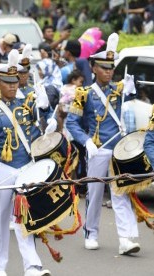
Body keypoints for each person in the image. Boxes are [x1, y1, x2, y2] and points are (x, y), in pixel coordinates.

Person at [0, 49, 53, 276]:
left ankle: (33, 266)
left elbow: (37, 132)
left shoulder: (27, 105)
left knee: (25, 217)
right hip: (0, 169)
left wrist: (47, 115)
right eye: (8, 82)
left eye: (15, 81)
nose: (13, 86)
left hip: (26, 168)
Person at [65, 33, 141, 255]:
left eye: (111, 67)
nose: (109, 71)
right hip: (97, 148)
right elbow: (72, 122)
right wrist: (86, 141)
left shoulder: (119, 89)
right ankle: (91, 233)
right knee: (95, 193)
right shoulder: (84, 94)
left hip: (118, 150)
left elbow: (130, 99)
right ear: (93, 67)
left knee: (120, 193)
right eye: (104, 67)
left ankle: (126, 238)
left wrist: (131, 86)